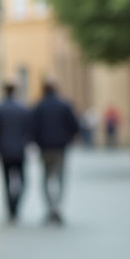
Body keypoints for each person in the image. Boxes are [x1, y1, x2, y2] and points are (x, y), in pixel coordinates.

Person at [31, 81, 79, 223]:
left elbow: (33, 127)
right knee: (60, 178)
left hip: (44, 148)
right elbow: (74, 126)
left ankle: (49, 207)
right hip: (60, 148)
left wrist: (36, 141)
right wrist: (69, 138)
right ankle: (57, 207)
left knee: (45, 179)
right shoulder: (64, 106)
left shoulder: (39, 106)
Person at [0, 82, 32, 221]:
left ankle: (10, 207)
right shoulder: (23, 109)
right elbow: (29, 130)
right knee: (23, 180)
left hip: (4, 151)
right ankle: (16, 205)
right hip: (19, 151)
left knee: (6, 181)